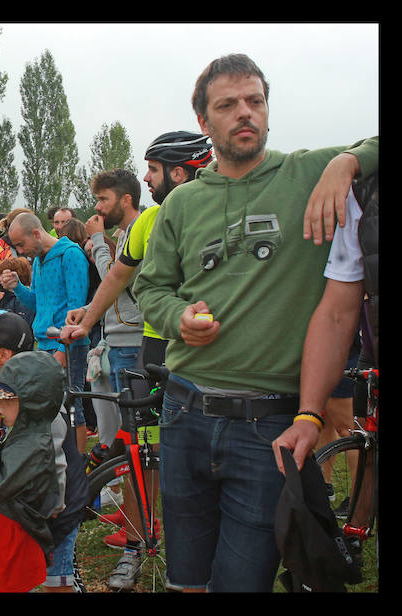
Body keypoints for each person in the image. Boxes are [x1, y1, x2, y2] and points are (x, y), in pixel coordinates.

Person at [131, 53, 378, 592]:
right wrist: (178, 318)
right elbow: (150, 288)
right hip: (184, 413)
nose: (245, 114)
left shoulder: (307, 171)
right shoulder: (181, 204)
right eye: (228, 105)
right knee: (186, 580)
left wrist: (349, 162)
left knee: (242, 582)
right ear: (205, 122)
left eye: (255, 102)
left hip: (269, 425)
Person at [61, 133, 214, 590]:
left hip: (209, 352)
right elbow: (119, 275)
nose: (146, 178)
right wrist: (88, 322)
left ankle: (202, 548)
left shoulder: (216, 212)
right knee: (140, 448)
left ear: (180, 172)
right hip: (154, 348)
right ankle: (136, 542)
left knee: (198, 452)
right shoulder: (148, 221)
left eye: (153, 170)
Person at [272, 170, 378, 543]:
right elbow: (337, 311)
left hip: (351, 347)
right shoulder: (359, 195)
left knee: (347, 427)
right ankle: (352, 509)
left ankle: (355, 507)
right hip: (356, 348)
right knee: (346, 429)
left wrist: (345, 162)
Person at [0, 350, 65, 593]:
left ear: (33, 402)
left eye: (8, 399)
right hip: (0, 535)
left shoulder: (32, 445)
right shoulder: (21, 433)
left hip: (14, 545)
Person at [0, 211, 90, 451]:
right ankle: (59, 460)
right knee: (50, 409)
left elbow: (77, 309)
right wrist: (17, 287)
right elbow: (38, 304)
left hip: (69, 348)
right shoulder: (39, 260)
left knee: (72, 408)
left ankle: (78, 471)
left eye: (21, 244)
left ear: (37, 234)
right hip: (45, 345)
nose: (20, 251)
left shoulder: (70, 255)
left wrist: (62, 350)